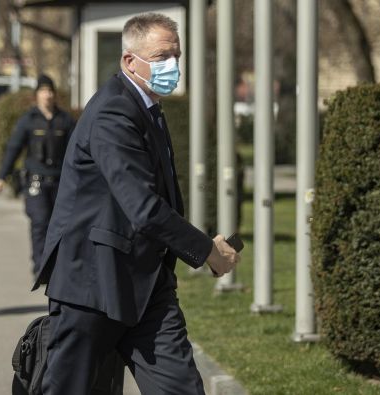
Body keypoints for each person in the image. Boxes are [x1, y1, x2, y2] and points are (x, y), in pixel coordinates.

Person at [32, 13, 240, 395]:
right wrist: (207, 250)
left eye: (176, 56)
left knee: (181, 388)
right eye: (162, 57)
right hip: (93, 285)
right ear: (130, 61)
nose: (172, 66)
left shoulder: (146, 107)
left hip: (148, 285)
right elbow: (143, 207)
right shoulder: (113, 111)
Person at [0, 75, 76, 277]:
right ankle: (40, 265)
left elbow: (76, 150)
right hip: (36, 181)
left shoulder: (65, 120)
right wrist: (2, 176)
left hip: (59, 182)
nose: (47, 95)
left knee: (59, 225)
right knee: (39, 222)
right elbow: (14, 148)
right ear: (36, 95)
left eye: (50, 91)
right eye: (43, 91)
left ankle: (56, 265)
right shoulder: (28, 121)